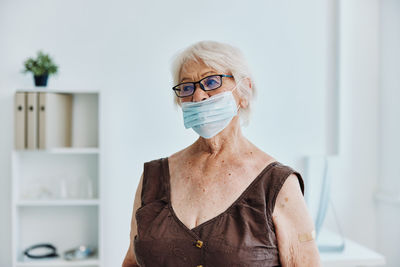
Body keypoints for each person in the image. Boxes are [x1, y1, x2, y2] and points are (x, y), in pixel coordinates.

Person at [122, 41, 321, 267]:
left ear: (243, 92)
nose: (198, 96)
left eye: (211, 82)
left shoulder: (278, 184)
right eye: (186, 87)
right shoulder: (154, 177)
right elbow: (131, 261)